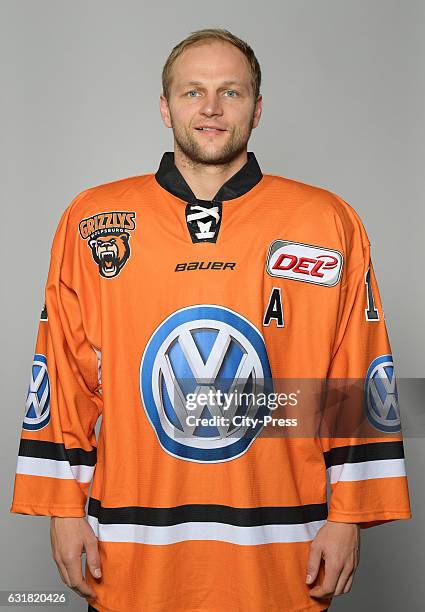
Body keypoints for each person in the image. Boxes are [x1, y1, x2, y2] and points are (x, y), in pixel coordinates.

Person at [10, 28, 411, 612]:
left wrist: (348, 517)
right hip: (131, 545)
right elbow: (65, 378)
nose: (212, 109)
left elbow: (354, 377)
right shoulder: (93, 219)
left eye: (232, 92)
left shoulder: (326, 221)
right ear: (165, 106)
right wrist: (63, 511)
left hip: (282, 545)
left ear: (258, 108)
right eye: (193, 92)